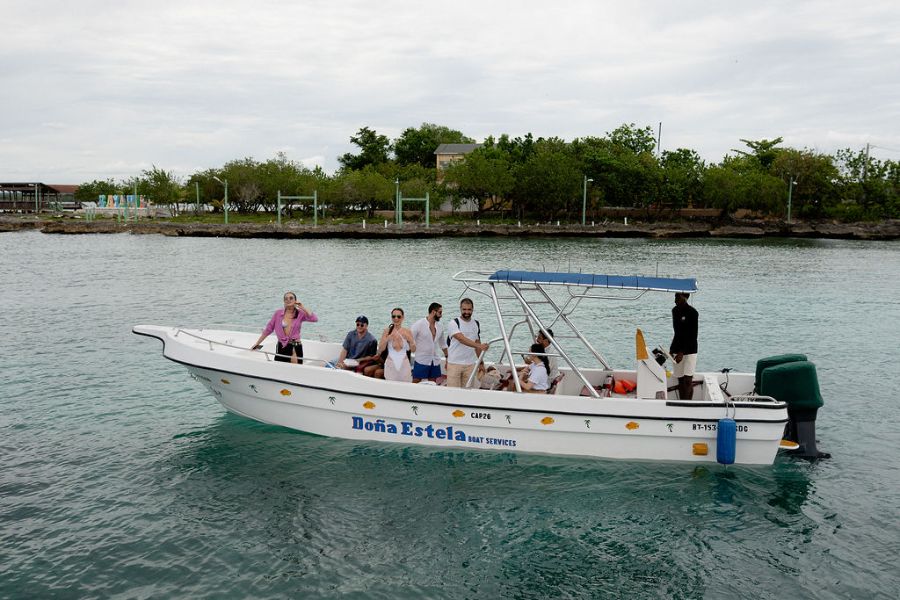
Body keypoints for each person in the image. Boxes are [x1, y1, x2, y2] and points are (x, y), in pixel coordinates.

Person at [252, 291, 318, 364]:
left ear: (295, 301)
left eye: (291, 298)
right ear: (284, 301)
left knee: (295, 370)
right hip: (281, 345)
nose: (288, 300)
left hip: (295, 346)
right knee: (279, 368)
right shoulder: (278, 313)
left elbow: (314, 319)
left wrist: (303, 307)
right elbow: (268, 329)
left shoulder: (300, 313)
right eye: (286, 299)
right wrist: (257, 343)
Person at [446, 298, 489, 388]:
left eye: (469, 309)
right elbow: (461, 339)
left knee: (467, 393)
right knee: (453, 393)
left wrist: (481, 363)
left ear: (472, 309)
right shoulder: (453, 323)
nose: (467, 312)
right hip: (454, 364)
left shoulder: (476, 324)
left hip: (470, 365)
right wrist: (480, 346)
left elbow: (477, 344)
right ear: (460, 309)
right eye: (464, 309)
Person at [670, 292, 699, 399]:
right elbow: (677, 332)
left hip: (690, 349)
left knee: (688, 379)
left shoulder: (693, 312)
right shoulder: (675, 310)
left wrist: (682, 352)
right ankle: (682, 402)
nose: (675, 300)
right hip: (677, 348)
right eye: (675, 296)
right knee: (680, 379)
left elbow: (692, 335)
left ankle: (688, 404)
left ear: (685, 297)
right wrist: (672, 349)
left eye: (677, 297)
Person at [410, 302, 448, 383]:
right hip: (421, 359)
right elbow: (409, 339)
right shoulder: (418, 324)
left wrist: (447, 358)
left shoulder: (440, 326)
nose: (441, 315)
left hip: (435, 360)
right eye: (440, 312)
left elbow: (443, 344)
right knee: (416, 380)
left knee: (433, 382)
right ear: (433, 312)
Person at [377, 307, 416, 382]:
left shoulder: (407, 331)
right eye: (393, 316)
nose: (396, 318)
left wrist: (410, 340)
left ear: (403, 317)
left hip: (404, 366)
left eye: (399, 316)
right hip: (390, 365)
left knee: (406, 388)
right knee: (390, 389)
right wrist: (387, 339)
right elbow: (380, 349)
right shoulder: (387, 331)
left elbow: (414, 350)